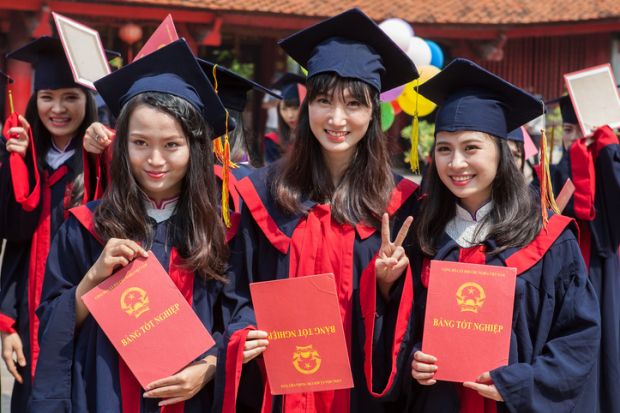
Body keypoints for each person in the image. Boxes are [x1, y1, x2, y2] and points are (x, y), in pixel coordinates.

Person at [216, 8, 420, 412]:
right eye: (324, 101)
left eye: (354, 104)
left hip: (359, 394)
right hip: (276, 389)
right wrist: (245, 331)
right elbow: (234, 291)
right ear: (307, 106)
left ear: (373, 114)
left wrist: (388, 286)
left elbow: (415, 322)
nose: (337, 118)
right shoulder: (261, 194)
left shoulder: (400, 205)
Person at [31, 39, 230, 412]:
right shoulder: (86, 227)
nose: (155, 160)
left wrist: (209, 367)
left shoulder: (219, 230)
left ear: (195, 148)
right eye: (140, 142)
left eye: (172, 144)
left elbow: (241, 319)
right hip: (105, 395)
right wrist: (92, 280)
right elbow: (51, 325)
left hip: (194, 400)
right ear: (121, 145)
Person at [406, 58, 601, 413]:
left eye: (471, 148)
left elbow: (579, 337)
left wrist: (523, 382)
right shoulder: (423, 233)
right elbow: (401, 325)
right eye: (444, 148)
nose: (456, 163)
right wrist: (414, 359)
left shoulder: (548, 238)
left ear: (500, 152)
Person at [0, 36, 99, 411]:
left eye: (70, 97)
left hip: (89, 317)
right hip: (31, 316)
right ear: (33, 100)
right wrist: (8, 326)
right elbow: (14, 244)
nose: (57, 108)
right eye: (47, 97)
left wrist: (102, 156)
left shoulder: (102, 163)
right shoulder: (25, 160)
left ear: (87, 100)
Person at [546, 93, 620, 413]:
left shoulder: (610, 163)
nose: (574, 137)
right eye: (568, 129)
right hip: (565, 275)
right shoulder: (554, 172)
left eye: (578, 129)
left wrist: (605, 153)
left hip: (604, 275)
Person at [263, 72, 306, 164]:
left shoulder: (320, 140)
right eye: (284, 109)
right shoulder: (273, 142)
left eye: (295, 108)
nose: (290, 115)